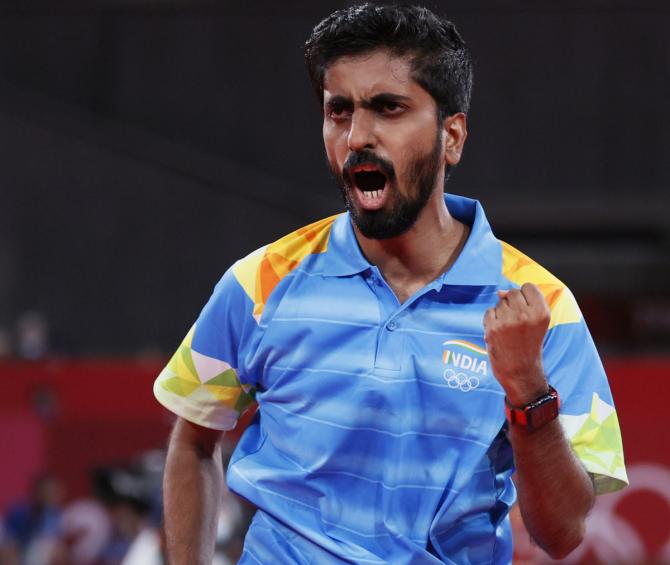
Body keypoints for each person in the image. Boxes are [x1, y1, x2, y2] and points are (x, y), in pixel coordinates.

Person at [153, 4, 628, 563]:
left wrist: (528, 390)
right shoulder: (260, 283)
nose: (357, 136)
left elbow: (563, 531)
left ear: (451, 136)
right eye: (339, 111)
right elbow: (195, 440)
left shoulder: (543, 307)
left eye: (388, 108)